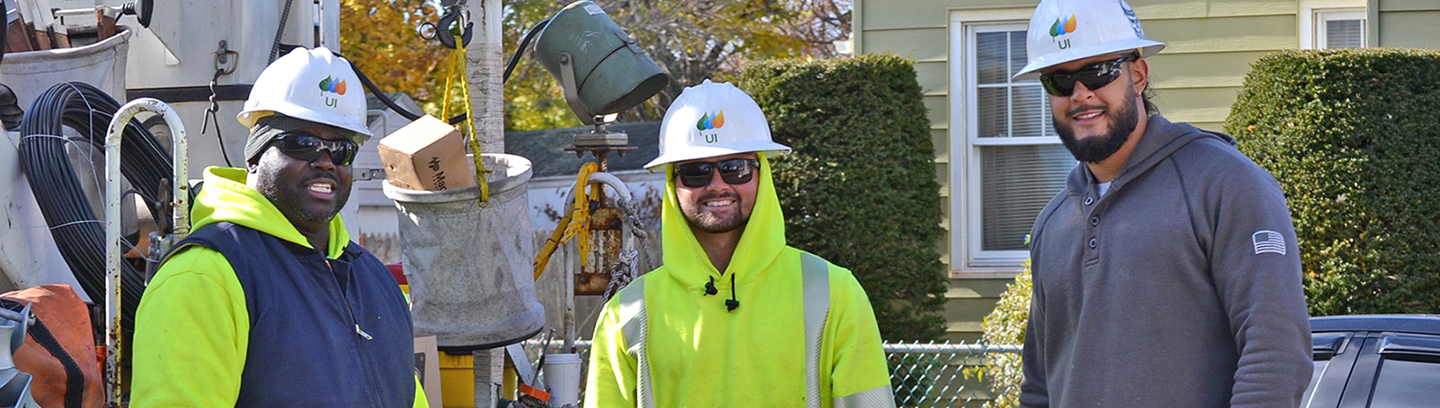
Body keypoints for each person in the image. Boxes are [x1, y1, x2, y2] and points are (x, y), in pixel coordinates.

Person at [1014, 0, 1313, 407]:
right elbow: (1038, 388)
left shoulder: (1225, 185)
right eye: (1059, 82)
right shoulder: (1053, 224)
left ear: (1137, 75)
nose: (1080, 94)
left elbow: (1276, 352)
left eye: (1097, 72)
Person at [131, 47, 427, 407]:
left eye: (341, 150)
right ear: (255, 156)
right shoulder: (205, 275)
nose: (326, 162)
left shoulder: (377, 281)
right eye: (303, 144)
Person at [584, 80, 896, 407]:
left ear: (762, 174)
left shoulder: (832, 292)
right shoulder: (629, 312)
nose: (717, 185)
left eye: (736, 169)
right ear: (672, 182)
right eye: (696, 171)